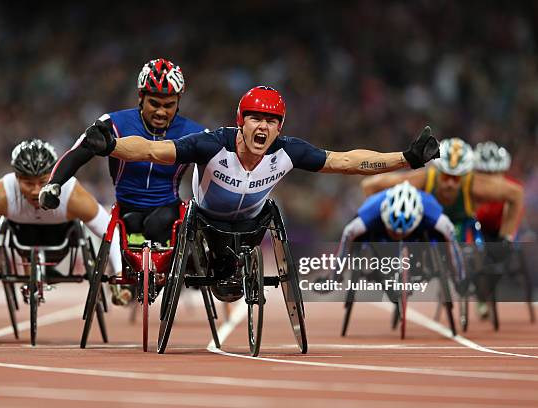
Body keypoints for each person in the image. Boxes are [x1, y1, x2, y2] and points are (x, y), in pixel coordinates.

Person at [40, 85, 440, 297]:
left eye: (271, 120)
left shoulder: (288, 151)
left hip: (250, 227)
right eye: (255, 118)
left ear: (280, 127)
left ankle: (232, 273)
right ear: (241, 121)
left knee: (236, 279)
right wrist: (108, 145)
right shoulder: (211, 142)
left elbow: (347, 161)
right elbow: (153, 149)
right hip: (204, 224)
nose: (262, 127)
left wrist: (407, 158)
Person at [45, 58, 206, 305]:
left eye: (169, 105)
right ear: (140, 97)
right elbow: (78, 153)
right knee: (135, 223)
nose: (161, 112)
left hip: (168, 209)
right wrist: (54, 184)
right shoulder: (114, 124)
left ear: (178, 103)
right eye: (154, 103)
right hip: (127, 209)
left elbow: (216, 166)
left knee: (158, 224)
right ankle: (135, 276)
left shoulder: (194, 132)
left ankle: (188, 263)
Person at [0, 139, 122, 303]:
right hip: (21, 242)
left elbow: (110, 230)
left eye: (43, 182)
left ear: (54, 175)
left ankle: (46, 271)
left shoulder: (71, 193)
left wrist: (118, 272)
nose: (36, 191)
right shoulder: (1, 193)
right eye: (28, 184)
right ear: (16, 178)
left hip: (61, 244)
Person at [361, 138, 524, 243]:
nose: (450, 184)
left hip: (461, 226)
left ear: (465, 175)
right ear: (437, 171)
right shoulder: (423, 178)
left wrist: (506, 238)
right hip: (427, 226)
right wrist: (379, 221)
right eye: (446, 176)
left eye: (456, 178)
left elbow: (516, 194)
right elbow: (369, 185)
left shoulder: (475, 184)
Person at [334, 181, 464, 282]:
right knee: (354, 234)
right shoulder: (374, 208)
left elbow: (449, 231)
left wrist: (459, 276)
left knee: (443, 235)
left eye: (403, 233)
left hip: (418, 236)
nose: (400, 235)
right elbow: (349, 232)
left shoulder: (428, 208)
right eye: (395, 232)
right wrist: (334, 276)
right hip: (381, 237)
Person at [473, 142, 523, 241]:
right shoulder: (466, 184)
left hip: (497, 233)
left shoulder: (513, 190)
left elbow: (511, 224)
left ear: (502, 172)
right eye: (483, 174)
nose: (489, 180)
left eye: (494, 174)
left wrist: (506, 238)